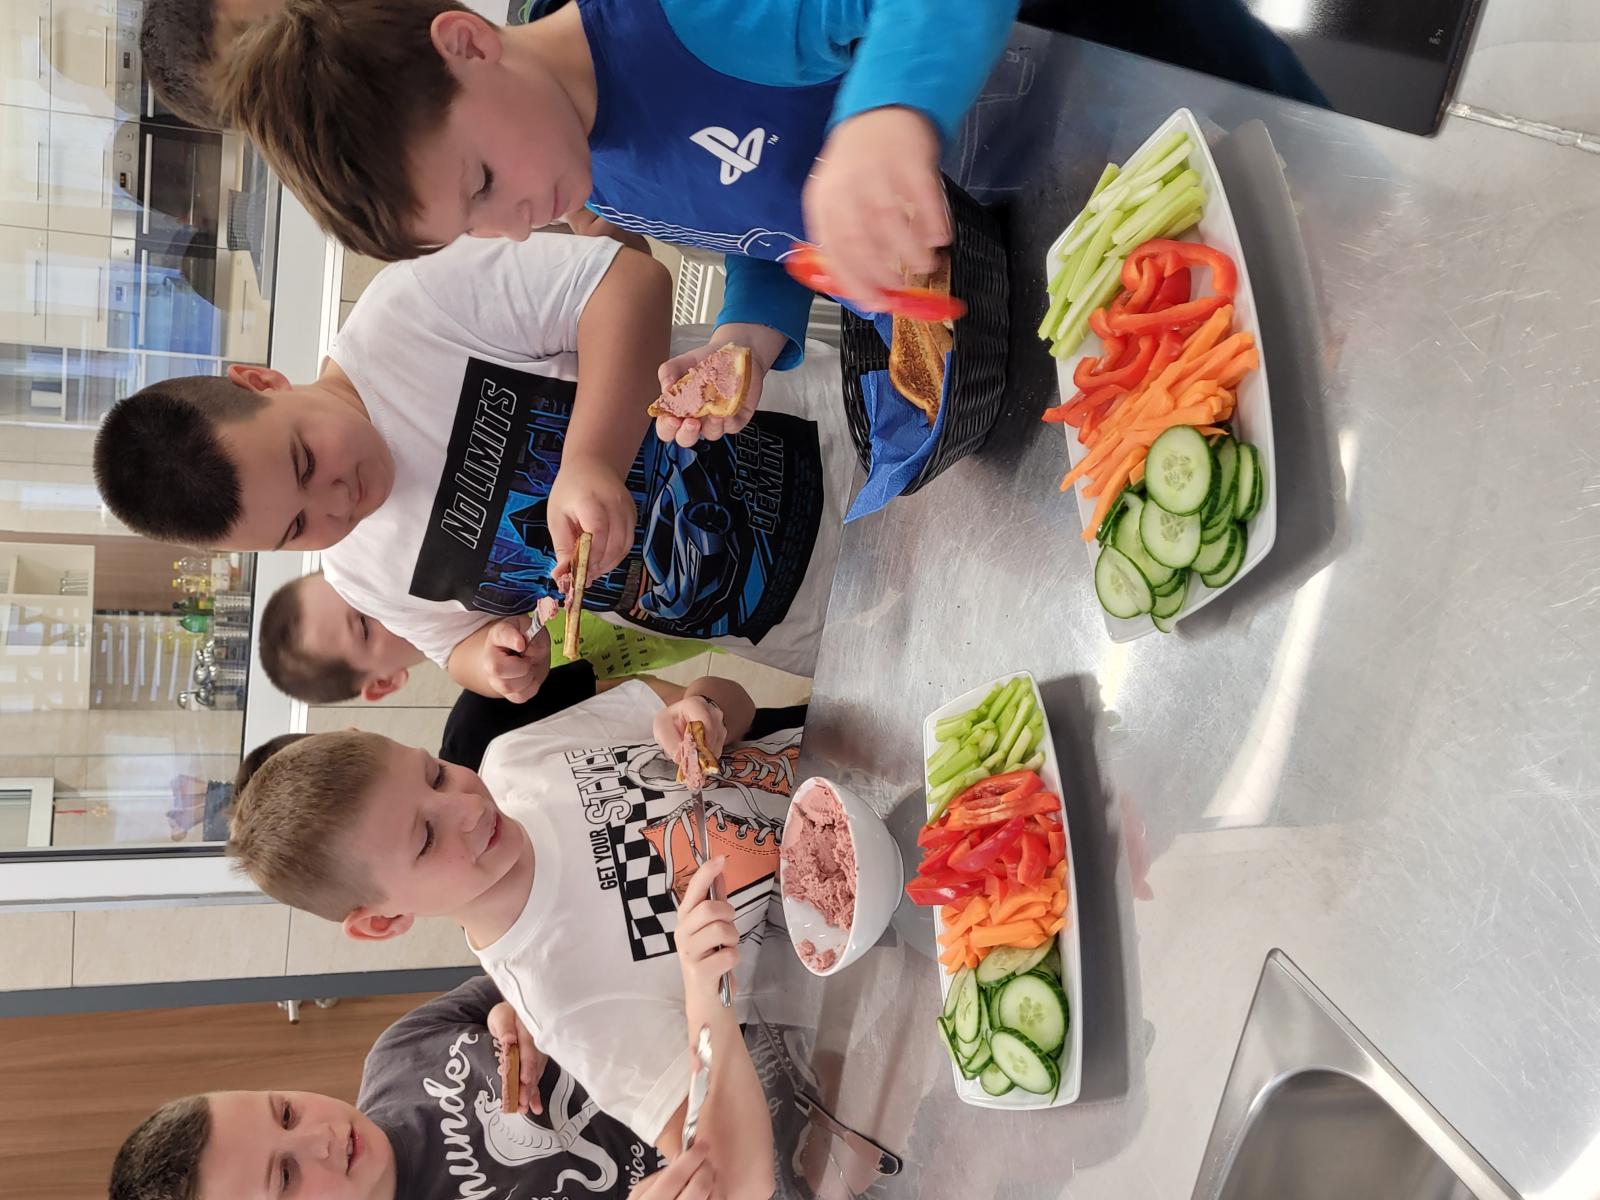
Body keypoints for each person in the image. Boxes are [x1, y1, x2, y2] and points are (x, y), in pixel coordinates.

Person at [215, 0, 1020, 442]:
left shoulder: (689, 20)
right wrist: (745, 333)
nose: (516, 229)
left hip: (1040, 157)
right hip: (987, 301)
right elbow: (764, 225)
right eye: (472, 227)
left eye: (483, 183)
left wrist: (885, 117)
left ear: (467, 44)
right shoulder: (591, 180)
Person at [94, 233, 851, 699]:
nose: (336, 501)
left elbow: (628, 284)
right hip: (798, 625)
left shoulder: (409, 311)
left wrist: (591, 459)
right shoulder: (360, 571)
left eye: (304, 460)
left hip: (841, 448)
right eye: (297, 529)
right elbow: (448, 643)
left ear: (261, 382)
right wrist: (491, 663)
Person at [226, 672, 792, 1195]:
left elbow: (729, 703)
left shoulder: (517, 758)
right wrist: (706, 996)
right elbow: (735, 1176)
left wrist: (705, 709)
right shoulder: (565, 1001)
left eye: (435, 774)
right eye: (426, 840)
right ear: (382, 921)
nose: (467, 809)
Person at [108, 970, 743, 1200]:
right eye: (285, 1177)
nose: (320, 1138)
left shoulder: (399, 1050)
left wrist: (522, 1010)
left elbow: (542, 972)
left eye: (285, 1114)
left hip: (735, 1038)